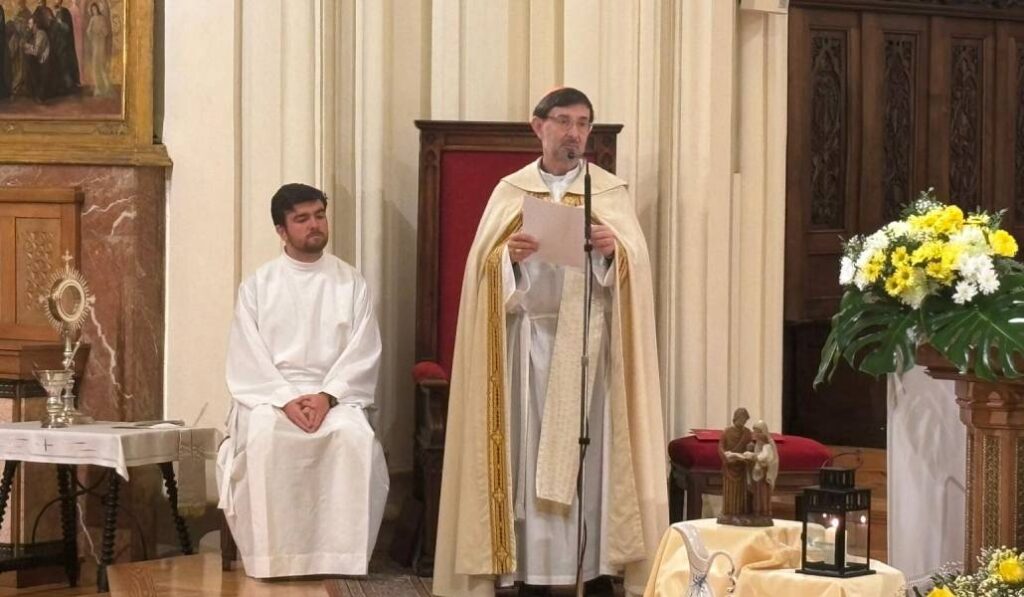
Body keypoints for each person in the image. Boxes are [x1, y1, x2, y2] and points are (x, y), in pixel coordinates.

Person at [433, 88, 667, 597]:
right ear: (538, 126)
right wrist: (508, 259)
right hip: (527, 349)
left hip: (590, 351)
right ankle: (531, 572)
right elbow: (481, 273)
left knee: (590, 463)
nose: (573, 133)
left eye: (583, 123)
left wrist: (614, 253)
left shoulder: (608, 193)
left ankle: (590, 569)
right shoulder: (509, 192)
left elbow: (636, 271)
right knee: (525, 461)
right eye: (563, 121)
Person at [216, 183, 389, 579]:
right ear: (281, 230)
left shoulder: (350, 282)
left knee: (353, 438)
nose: (314, 225)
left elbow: (363, 350)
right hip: (272, 396)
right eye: (302, 219)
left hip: (334, 394)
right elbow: (247, 355)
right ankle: (274, 559)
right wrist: (285, 398)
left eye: (319, 215)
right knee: (265, 437)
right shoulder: (258, 286)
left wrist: (327, 396)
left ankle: (341, 557)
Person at [717, 408, 753, 525]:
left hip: (741, 466)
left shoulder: (747, 433)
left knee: (741, 492)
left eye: (745, 420)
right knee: (730, 491)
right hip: (730, 467)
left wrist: (750, 449)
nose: (744, 421)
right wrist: (726, 457)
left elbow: (750, 447)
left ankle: (739, 514)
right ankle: (729, 514)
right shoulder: (727, 432)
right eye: (742, 419)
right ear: (736, 418)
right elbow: (720, 447)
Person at [744, 421, 778, 522]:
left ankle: (765, 513)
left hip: (764, 474)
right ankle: (757, 513)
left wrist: (754, 456)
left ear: (763, 432)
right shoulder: (758, 443)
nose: (755, 434)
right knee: (757, 493)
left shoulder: (768, 445)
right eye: (754, 431)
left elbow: (768, 458)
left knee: (763, 494)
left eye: (757, 432)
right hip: (758, 473)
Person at [84, 2, 109, 96]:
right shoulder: (92, 19)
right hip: (95, 43)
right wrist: (92, 33)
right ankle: (98, 87)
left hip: (101, 43)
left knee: (101, 65)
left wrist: (100, 32)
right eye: (92, 10)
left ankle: (106, 87)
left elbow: (106, 32)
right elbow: (88, 31)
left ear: (98, 9)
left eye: (95, 9)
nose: (94, 11)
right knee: (95, 66)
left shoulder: (102, 19)